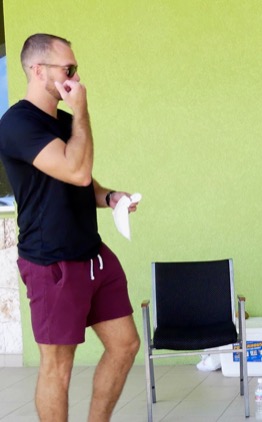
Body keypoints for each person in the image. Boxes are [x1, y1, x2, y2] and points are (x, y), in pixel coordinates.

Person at [0, 33, 140, 422]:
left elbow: (82, 179)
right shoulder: (16, 124)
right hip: (52, 262)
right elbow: (75, 170)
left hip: (92, 255)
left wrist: (110, 197)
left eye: (75, 69)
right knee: (58, 366)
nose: (75, 79)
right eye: (68, 69)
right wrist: (82, 109)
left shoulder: (63, 121)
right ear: (37, 70)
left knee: (125, 345)